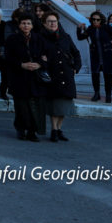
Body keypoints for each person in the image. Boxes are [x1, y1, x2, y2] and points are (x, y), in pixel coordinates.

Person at [39, 11, 81, 142]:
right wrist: (42, 60)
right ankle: (54, 130)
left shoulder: (65, 37)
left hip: (67, 75)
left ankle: (59, 129)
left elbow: (76, 53)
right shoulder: (40, 38)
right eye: (49, 21)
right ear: (44, 24)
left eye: (55, 21)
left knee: (64, 106)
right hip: (53, 75)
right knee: (55, 106)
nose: (52, 24)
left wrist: (76, 68)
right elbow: (36, 54)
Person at [5, 15, 46, 141]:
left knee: (35, 107)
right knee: (21, 106)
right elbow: (8, 58)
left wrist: (39, 64)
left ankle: (32, 131)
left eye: (28, 23)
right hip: (19, 77)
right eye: (23, 23)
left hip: (35, 78)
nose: (26, 26)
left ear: (32, 25)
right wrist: (21, 64)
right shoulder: (12, 39)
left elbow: (46, 56)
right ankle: (21, 129)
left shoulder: (39, 39)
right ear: (19, 25)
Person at [77, 11, 112, 102]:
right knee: (95, 75)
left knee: (109, 75)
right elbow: (80, 37)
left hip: (107, 55)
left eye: (97, 20)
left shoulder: (107, 28)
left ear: (101, 20)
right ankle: (97, 94)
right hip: (95, 55)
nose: (95, 21)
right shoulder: (90, 29)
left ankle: (108, 94)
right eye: (93, 19)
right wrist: (79, 28)